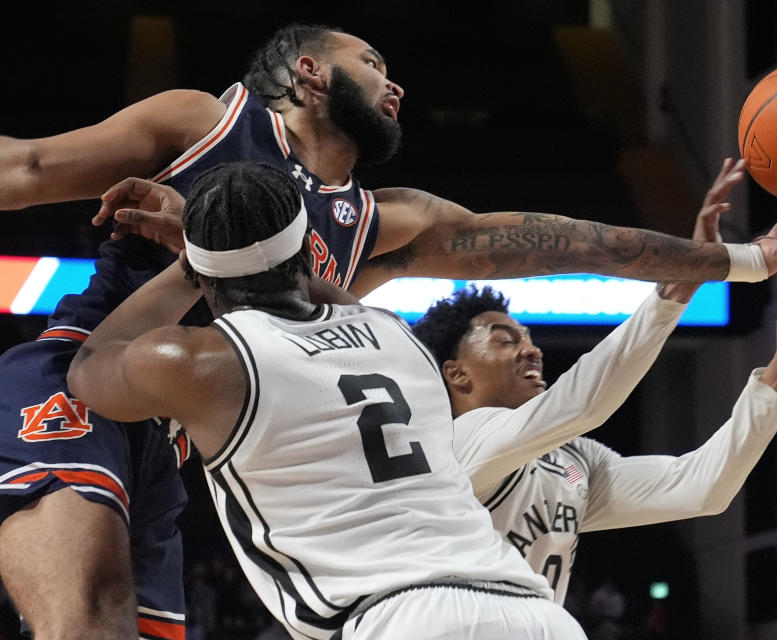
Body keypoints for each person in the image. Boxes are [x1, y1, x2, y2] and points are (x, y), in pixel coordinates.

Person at [0, 23, 777, 638]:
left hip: (183, 432)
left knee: (122, 625)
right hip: (82, 374)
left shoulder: (385, 221)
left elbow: (572, 242)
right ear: (307, 73)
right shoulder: (209, 123)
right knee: (84, 613)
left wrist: (743, 261)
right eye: (371, 61)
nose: (393, 80)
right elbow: (29, 168)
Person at [66, 162, 588, 640]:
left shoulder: (197, 361)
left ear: (203, 269)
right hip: (539, 611)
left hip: (401, 618)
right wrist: (226, 251)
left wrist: (190, 261)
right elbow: (316, 285)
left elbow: (88, 366)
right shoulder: (395, 334)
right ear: (307, 249)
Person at [411, 168, 777, 603]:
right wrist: (687, 275)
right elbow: (582, 403)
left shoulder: (573, 462)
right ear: (456, 374)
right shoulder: (453, 446)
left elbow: (702, 488)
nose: (531, 350)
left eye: (530, 338)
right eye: (503, 340)